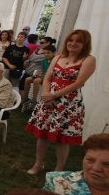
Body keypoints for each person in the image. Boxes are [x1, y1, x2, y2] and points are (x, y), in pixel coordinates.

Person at [26, 29, 96, 174]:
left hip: (68, 104)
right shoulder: (58, 57)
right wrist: (46, 94)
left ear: (85, 44)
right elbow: (47, 78)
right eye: (71, 40)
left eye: (78, 41)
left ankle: (59, 170)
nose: (73, 43)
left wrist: (54, 95)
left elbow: (78, 83)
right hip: (48, 100)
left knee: (62, 139)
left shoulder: (88, 60)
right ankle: (38, 164)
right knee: (42, 134)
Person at [21, 43, 57, 112]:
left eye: (48, 53)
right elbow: (42, 70)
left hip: (50, 77)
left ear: (53, 53)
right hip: (43, 75)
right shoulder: (44, 60)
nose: (46, 54)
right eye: (45, 53)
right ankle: (25, 99)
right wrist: (38, 73)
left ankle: (33, 100)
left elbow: (52, 72)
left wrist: (41, 75)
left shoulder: (55, 61)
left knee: (36, 81)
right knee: (27, 79)